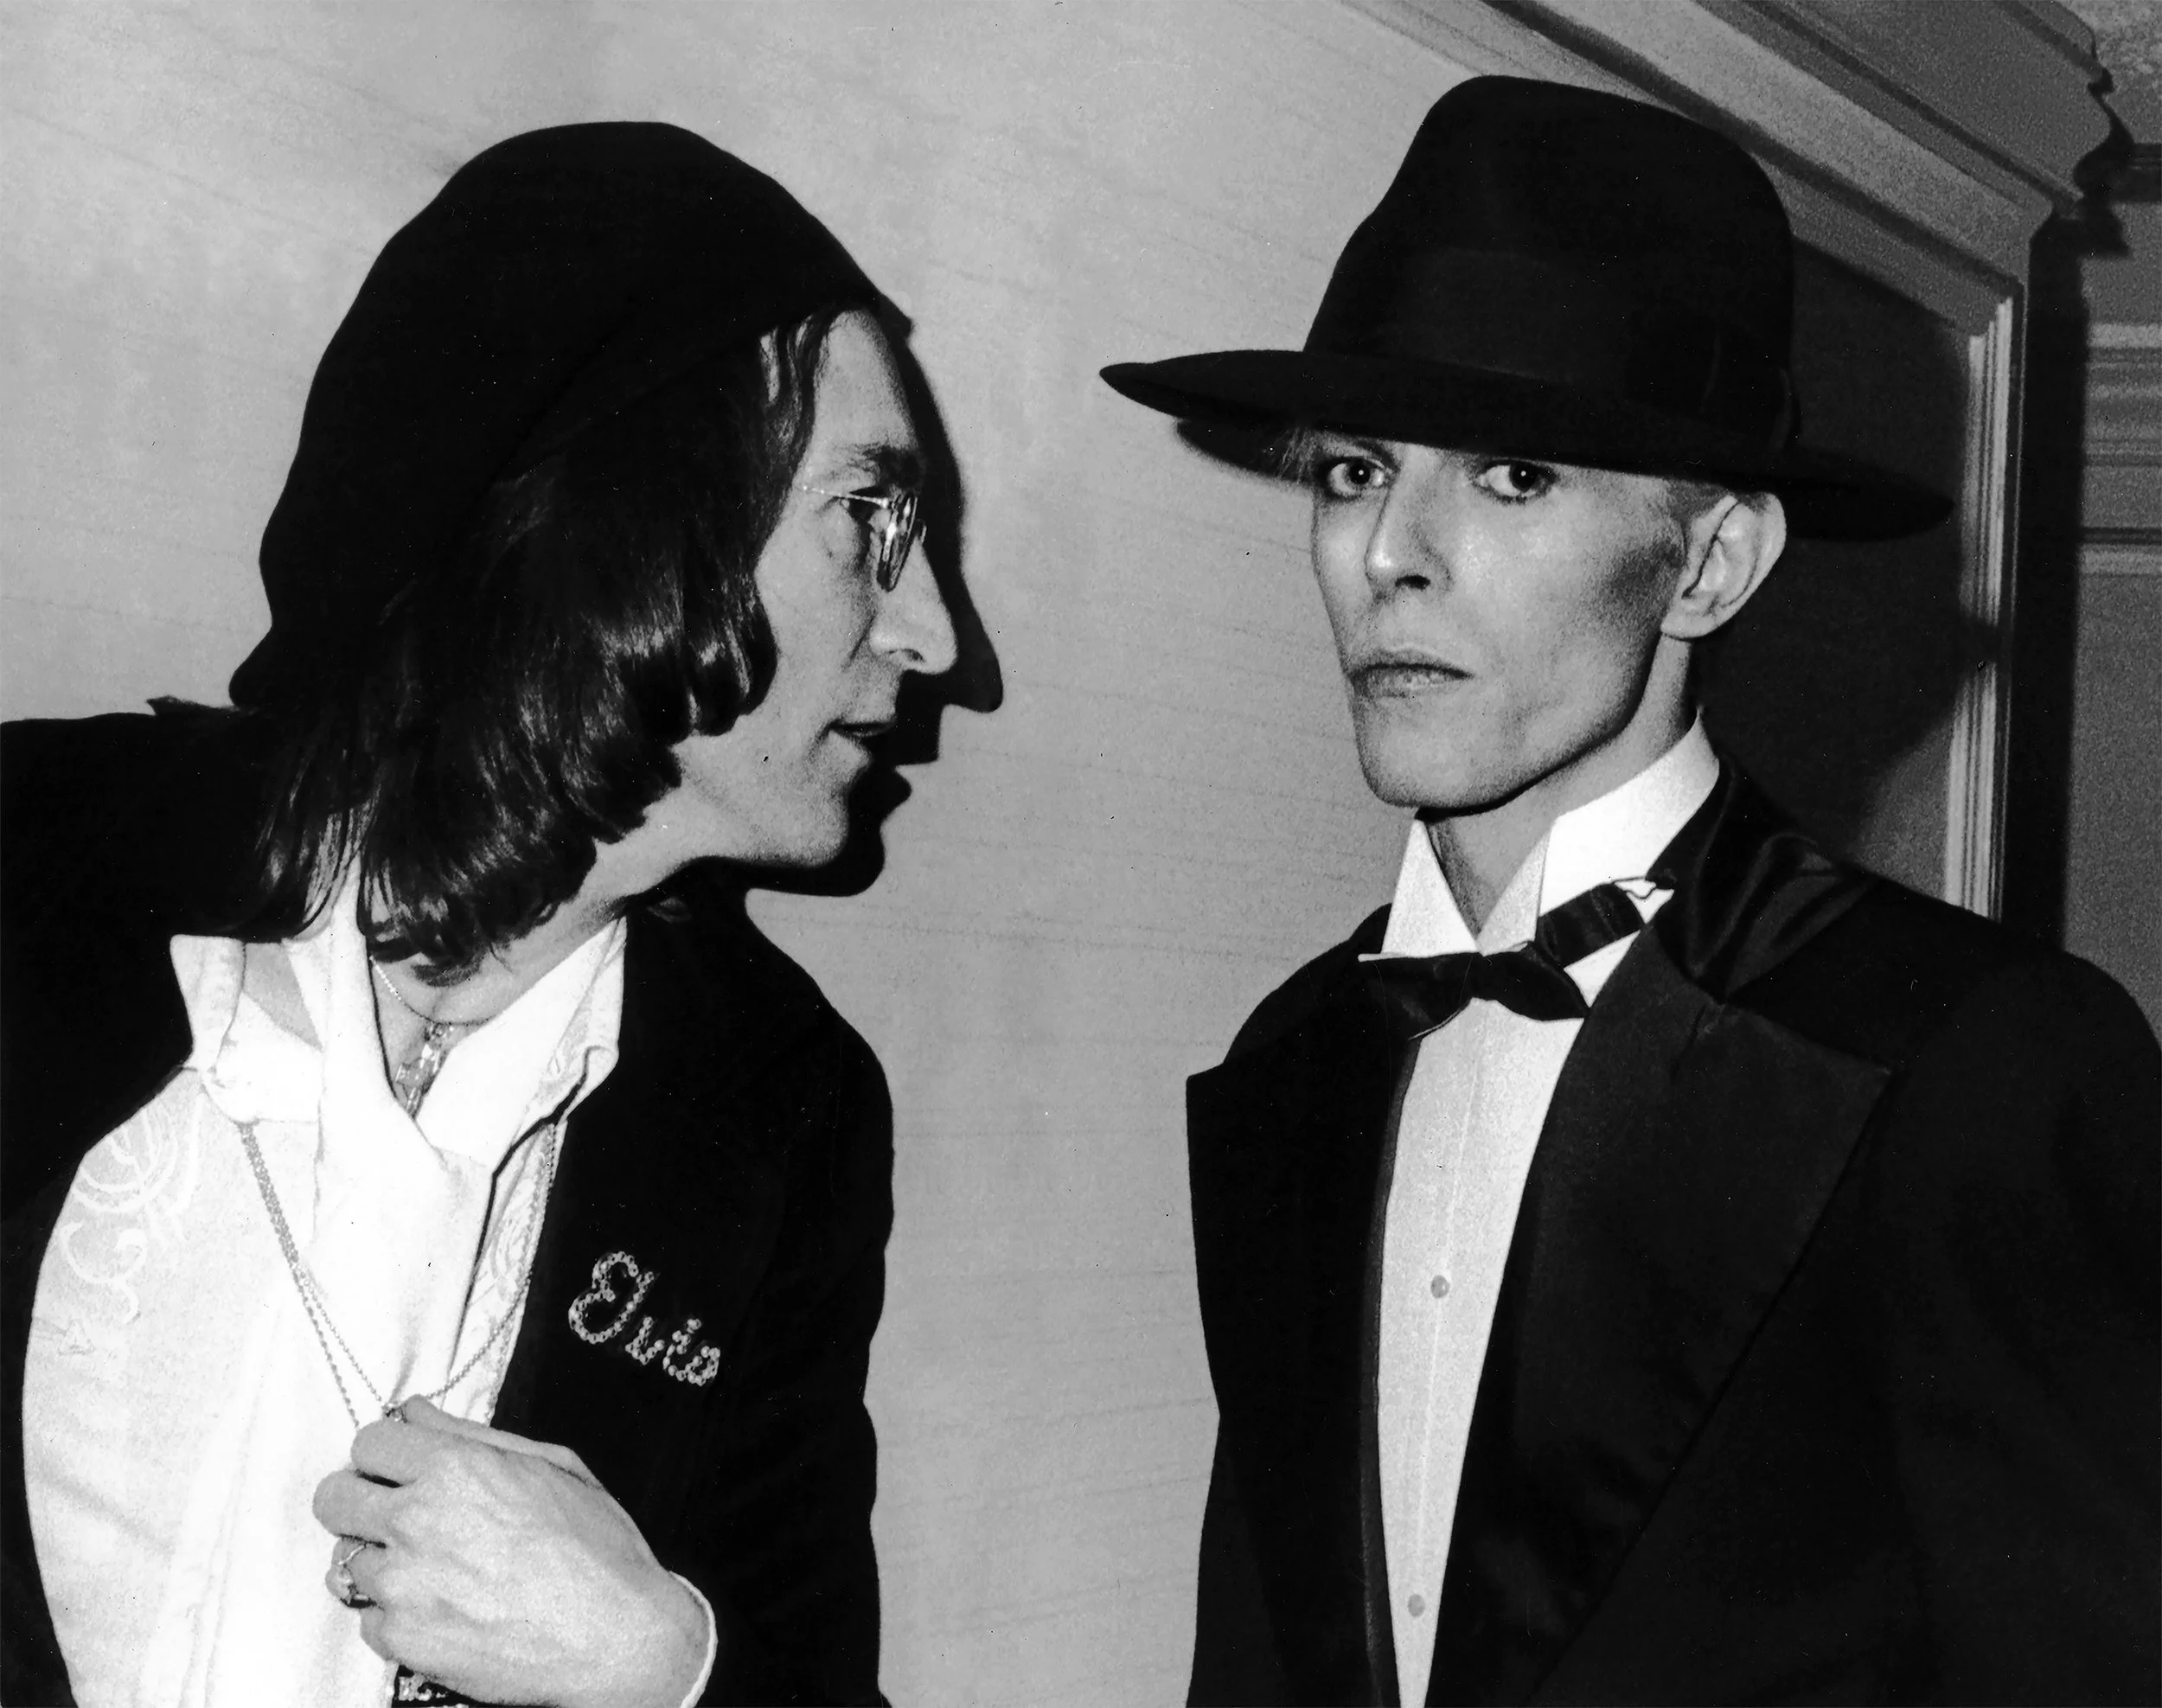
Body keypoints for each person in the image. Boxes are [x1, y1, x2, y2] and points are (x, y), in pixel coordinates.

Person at [1103, 75, 2159, 1705]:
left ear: (1710, 563)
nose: (1390, 552)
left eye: (1513, 476)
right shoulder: (1292, 1060)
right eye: (1355, 469)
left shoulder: (1987, 1063)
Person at [3, 121, 956, 1706]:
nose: (936, 635)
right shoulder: (38, 863)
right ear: (629, 521)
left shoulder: (784, 1106)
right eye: (872, 516)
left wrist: (667, 1660)